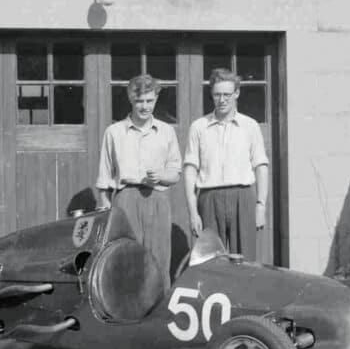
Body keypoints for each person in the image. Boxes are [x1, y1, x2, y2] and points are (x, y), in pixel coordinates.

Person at [96, 74, 181, 287]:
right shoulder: (114, 132)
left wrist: (161, 176)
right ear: (131, 100)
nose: (144, 106)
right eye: (139, 101)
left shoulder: (166, 131)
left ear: (156, 99)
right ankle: (126, 311)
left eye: (149, 101)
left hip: (157, 199)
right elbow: (105, 176)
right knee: (126, 256)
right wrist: (106, 208)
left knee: (159, 258)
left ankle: (158, 312)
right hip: (126, 200)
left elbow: (175, 173)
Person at [183, 68, 269, 259]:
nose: (222, 100)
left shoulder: (250, 126)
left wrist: (260, 205)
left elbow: (261, 167)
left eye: (227, 94)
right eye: (217, 95)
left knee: (245, 260)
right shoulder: (199, 127)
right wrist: (192, 212)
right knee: (211, 261)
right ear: (211, 95)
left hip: (243, 197)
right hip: (209, 198)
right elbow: (190, 171)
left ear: (236, 93)